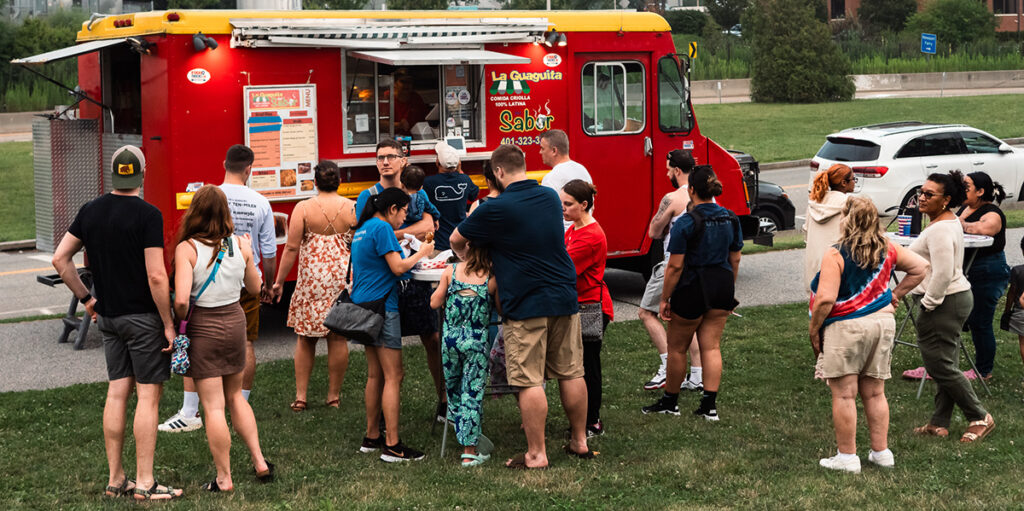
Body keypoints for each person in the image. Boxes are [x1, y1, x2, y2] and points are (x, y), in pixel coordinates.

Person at [51, 145, 183, 500]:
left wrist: (88, 301)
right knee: (149, 396)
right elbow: (157, 275)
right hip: (142, 319)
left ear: (112, 172)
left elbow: (60, 259)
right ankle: (145, 482)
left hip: (108, 317)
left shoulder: (90, 211)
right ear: (144, 172)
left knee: (117, 392)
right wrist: (168, 323)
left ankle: (115, 479)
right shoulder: (148, 214)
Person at [452, 144, 593, 469]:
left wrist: (472, 258)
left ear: (498, 173)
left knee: (529, 379)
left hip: (525, 301)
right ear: (524, 166)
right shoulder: (548, 197)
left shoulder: (493, 208)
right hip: (563, 294)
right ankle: (579, 441)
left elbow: (457, 240)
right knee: (571, 372)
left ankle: (536, 454)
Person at [160, 144, 277, 433]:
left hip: (202, 286)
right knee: (246, 343)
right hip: (243, 282)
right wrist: (269, 285)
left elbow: (182, 300)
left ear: (224, 163)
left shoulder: (211, 197)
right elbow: (269, 249)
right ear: (249, 168)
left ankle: (190, 411)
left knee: (193, 341)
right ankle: (240, 404)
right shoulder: (260, 202)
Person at [809, 196, 929, 474]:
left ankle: (847, 457)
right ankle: (881, 452)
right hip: (882, 323)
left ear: (846, 219)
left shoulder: (836, 253)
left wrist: (814, 328)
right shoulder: (888, 248)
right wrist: (895, 294)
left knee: (844, 395)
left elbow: (825, 299)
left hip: (847, 326)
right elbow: (920, 268)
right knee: (875, 392)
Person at [173, 185, 274, 491]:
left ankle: (224, 478)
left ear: (196, 212)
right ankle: (259, 461)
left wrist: (180, 315)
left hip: (204, 325)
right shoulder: (240, 245)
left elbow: (180, 302)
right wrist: (247, 256)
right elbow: (255, 289)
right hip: (235, 322)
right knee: (235, 397)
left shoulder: (187, 249)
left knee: (213, 407)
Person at [642, 166, 742, 421]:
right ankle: (709, 406)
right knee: (712, 347)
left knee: (677, 348)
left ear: (692, 190)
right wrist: (729, 287)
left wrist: (664, 298)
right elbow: (736, 258)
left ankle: (670, 401)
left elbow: (674, 266)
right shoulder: (731, 218)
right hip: (721, 284)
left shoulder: (687, 222)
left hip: (692, 285)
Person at [909, 171, 995, 443]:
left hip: (944, 301)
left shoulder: (940, 229)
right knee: (945, 361)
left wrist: (928, 304)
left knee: (940, 365)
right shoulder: (948, 222)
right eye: (920, 192)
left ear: (946, 200)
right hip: (953, 298)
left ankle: (980, 416)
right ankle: (939, 422)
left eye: (928, 194)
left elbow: (943, 273)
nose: (921, 198)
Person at [351, 187, 434, 462]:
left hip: (363, 307)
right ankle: (393, 445)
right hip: (384, 308)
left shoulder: (363, 228)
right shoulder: (382, 228)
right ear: (392, 209)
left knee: (375, 375)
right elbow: (398, 268)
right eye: (403, 213)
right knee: (394, 375)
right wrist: (422, 252)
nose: (404, 220)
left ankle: (371, 436)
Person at [271, 161, 356, 411]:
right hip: (340, 278)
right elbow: (355, 243)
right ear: (339, 181)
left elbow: (292, 247)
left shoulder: (304, 208)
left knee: (305, 338)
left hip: (311, 280)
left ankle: (301, 397)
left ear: (315, 182)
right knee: (338, 338)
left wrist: (278, 281)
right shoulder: (352, 207)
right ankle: (333, 397)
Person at [429, 243, 497, 466]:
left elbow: (434, 302)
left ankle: (462, 425)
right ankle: (469, 450)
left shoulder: (451, 272)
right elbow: (502, 309)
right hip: (476, 344)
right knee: (472, 391)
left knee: (453, 386)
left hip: (450, 342)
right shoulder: (491, 278)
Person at [640, 150, 703, 392]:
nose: (667, 173)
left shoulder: (673, 197)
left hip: (672, 264)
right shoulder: (707, 197)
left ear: (677, 170)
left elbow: (653, 232)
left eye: (668, 169)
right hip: (698, 265)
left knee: (646, 312)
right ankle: (697, 375)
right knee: (687, 320)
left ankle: (667, 368)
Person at [561, 179, 614, 437]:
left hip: (591, 307)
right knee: (578, 365)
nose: (563, 208)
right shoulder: (574, 228)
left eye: (568, 204)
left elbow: (563, 269)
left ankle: (592, 421)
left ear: (584, 205)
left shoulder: (590, 236)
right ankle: (583, 419)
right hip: (580, 303)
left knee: (587, 366)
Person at [396, 164, 447, 422]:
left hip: (416, 280)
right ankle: (385, 413)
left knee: (433, 338)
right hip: (393, 282)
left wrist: (396, 232)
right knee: (389, 349)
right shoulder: (372, 196)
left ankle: (444, 401)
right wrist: (418, 229)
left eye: (392, 157)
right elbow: (427, 223)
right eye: (381, 157)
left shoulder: (407, 197)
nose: (386, 162)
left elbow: (429, 224)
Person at [957, 171, 1009, 381]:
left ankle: (983, 370)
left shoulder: (992, 213)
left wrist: (955, 224)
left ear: (980, 191)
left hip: (989, 271)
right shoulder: (964, 208)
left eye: (966, 186)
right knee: (968, 317)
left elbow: (983, 229)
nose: (962, 190)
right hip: (969, 269)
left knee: (981, 320)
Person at [804, 163, 855, 295]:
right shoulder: (849, 203)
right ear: (844, 183)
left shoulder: (815, 202)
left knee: (818, 309)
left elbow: (806, 232)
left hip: (815, 265)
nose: (855, 182)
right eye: (853, 179)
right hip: (838, 265)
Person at [425, 141, 479, 251]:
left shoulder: (428, 182)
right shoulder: (465, 179)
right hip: (460, 242)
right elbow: (473, 195)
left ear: (437, 162)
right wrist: (459, 172)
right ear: (458, 163)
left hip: (438, 244)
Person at [539, 129, 593, 230]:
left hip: (565, 237)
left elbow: (547, 214)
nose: (540, 152)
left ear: (554, 151)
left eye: (542, 148)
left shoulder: (551, 178)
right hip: (586, 229)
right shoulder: (582, 169)